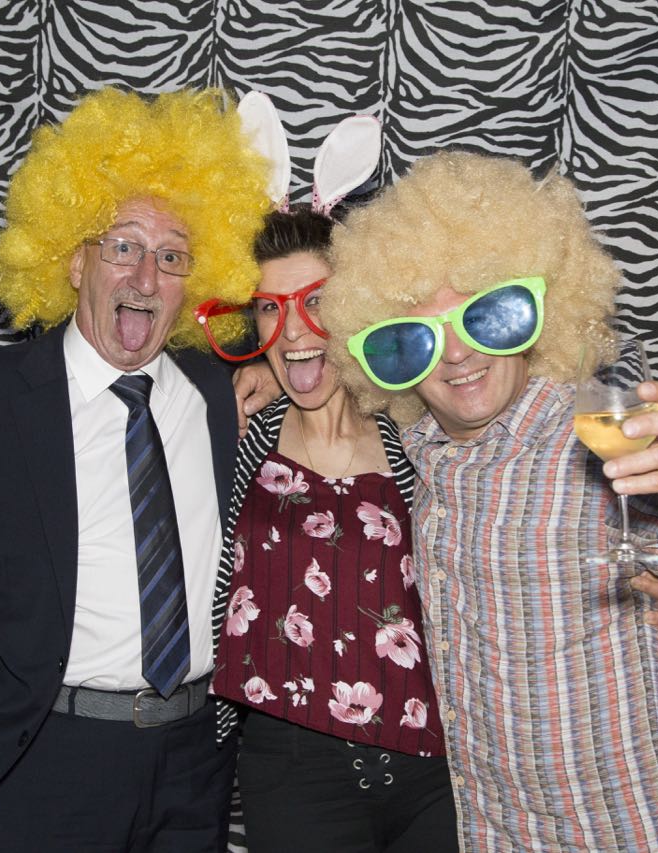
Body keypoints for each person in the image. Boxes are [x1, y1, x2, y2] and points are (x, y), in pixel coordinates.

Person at [321, 151, 658, 851]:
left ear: (539, 313)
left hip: (645, 824)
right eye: (416, 337)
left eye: (484, 316)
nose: (456, 353)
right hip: (502, 829)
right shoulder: (420, 456)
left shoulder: (596, 433)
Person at [0, 87, 270, 853]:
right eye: (122, 245)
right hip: (41, 763)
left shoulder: (222, 395)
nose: (145, 277)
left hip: (196, 765)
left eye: (172, 256)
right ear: (71, 258)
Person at [201, 205, 459, 852]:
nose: (292, 329)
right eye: (269, 307)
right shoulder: (233, 431)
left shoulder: (419, 433)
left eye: (316, 300)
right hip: (293, 771)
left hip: (435, 766)